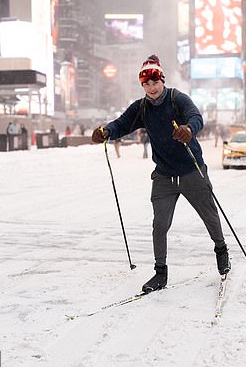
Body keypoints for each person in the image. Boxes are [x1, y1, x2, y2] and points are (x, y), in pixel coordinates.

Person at [91, 54, 230, 293]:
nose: (152, 88)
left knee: (209, 215)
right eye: (146, 84)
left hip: (190, 170)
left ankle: (221, 250)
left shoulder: (178, 99)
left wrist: (188, 129)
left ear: (162, 81)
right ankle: (160, 273)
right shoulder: (142, 108)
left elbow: (197, 118)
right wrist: (106, 132)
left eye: (155, 83)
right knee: (160, 224)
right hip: (164, 175)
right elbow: (122, 123)